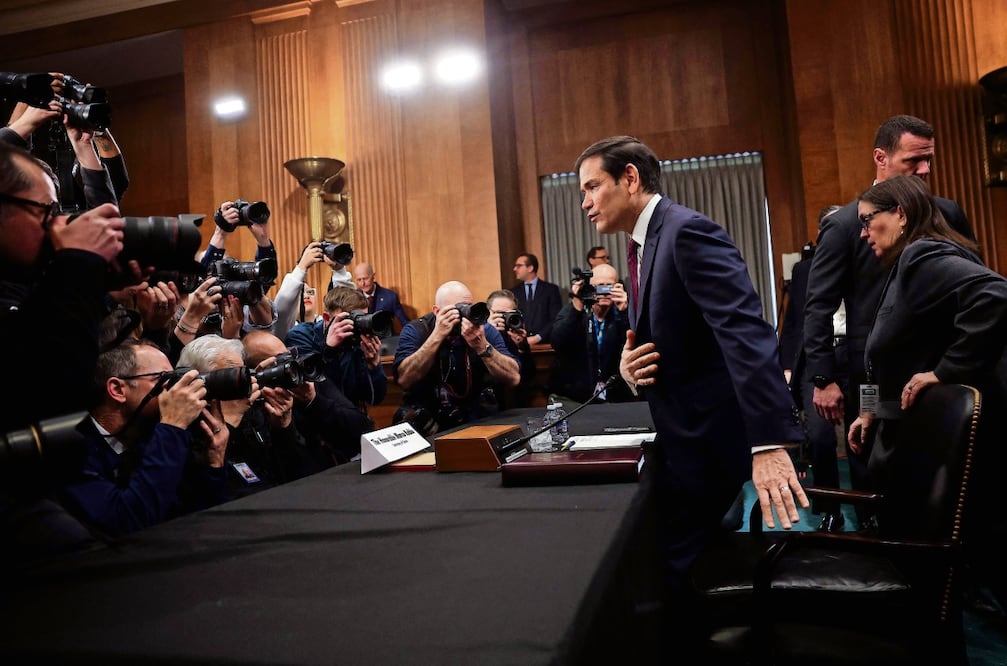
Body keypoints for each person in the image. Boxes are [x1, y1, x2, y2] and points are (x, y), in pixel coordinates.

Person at [576, 136, 807, 651]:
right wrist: (628, 364)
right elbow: (675, 338)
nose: (585, 202)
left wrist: (769, 442)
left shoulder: (686, 233)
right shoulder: (643, 243)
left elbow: (747, 335)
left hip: (710, 442)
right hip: (683, 434)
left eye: (593, 187)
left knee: (668, 566)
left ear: (630, 179)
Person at [803, 114, 975, 533]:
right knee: (874, 461)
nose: (925, 170)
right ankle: (876, 543)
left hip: (943, 366)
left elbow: (975, 286)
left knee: (951, 466)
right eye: (914, 160)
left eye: (929, 160)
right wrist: (823, 377)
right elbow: (818, 305)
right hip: (872, 375)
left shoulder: (946, 211)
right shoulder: (845, 224)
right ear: (881, 158)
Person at [846, 175, 1007, 610]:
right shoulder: (899, 267)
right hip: (905, 439)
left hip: (933, 451)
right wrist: (867, 410)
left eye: (867, 221)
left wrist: (945, 371)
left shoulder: (922, 255)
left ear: (900, 213)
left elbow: (996, 295)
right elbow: (878, 355)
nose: (862, 233)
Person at [59, 340, 228, 537]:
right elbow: (129, 521)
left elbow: (197, 520)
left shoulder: (155, 437)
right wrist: (172, 426)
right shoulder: (70, 451)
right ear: (118, 390)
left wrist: (213, 463)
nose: (173, 391)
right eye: (163, 378)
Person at [778, 205, 848, 532]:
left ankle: (869, 510)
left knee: (869, 433)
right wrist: (786, 366)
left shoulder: (868, 261)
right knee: (820, 438)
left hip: (858, 360)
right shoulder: (804, 271)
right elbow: (792, 324)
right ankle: (830, 508)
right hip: (815, 360)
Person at [177, 334, 312, 501]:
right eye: (231, 375)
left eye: (242, 372)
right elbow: (198, 497)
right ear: (200, 382)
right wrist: (229, 422)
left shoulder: (254, 414)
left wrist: (283, 428)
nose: (241, 382)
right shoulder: (183, 429)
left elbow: (301, 476)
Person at [393, 281, 520, 436]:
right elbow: (404, 379)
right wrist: (437, 336)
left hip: (476, 420)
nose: (465, 314)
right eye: (458, 309)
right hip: (429, 423)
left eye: (468, 306)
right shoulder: (418, 330)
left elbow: (513, 377)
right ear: (437, 311)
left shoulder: (484, 330)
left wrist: (482, 346)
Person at [243, 330, 372, 466]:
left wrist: (313, 402)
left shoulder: (308, 382)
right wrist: (282, 425)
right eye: (280, 362)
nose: (290, 366)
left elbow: (363, 429)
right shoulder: (252, 406)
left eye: (289, 356)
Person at [285, 286, 387, 413]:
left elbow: (375, 399)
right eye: (351, 320)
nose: (356, 325)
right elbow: (315, 393)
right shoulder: (301, 336)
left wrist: (374, 366)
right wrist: (329, 350)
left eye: (361, 318)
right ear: (327, 318)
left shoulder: (356, 343)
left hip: (350, 420)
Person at [548, 262, 635, 404]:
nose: (605, 291)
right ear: (588, 287)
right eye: (600, 286)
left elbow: (635, 344)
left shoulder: (624, 313)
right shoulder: (575, 312)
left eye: (610, 286)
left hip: (617, 396)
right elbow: (558, 342)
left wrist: (625, 311)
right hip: (578, 398)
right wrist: (576, 304)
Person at [486, 289, 537, 408]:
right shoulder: (479, 334)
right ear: (488, 313)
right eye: (500, 313)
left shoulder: (514, 333)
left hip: (515, 404)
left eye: (509, 314)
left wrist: (522, 347)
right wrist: (488, 331)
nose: (505, 318)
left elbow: (529, 376)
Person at [510, 253, 562, 346]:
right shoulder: (513, 292)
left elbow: (556, 318)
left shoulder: (550, 290)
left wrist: (538, 337)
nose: (515, 269)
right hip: (520, 345)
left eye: (519, 266)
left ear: (530, 268)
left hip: (546, 344)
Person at [352, 262, 409, 334]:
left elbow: (404, 322)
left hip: (385, 341)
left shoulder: (390, 297)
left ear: (373, 276)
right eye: (359, 280)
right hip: (362, 342)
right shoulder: (353, 298)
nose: (363, 283)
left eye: (365, 278)